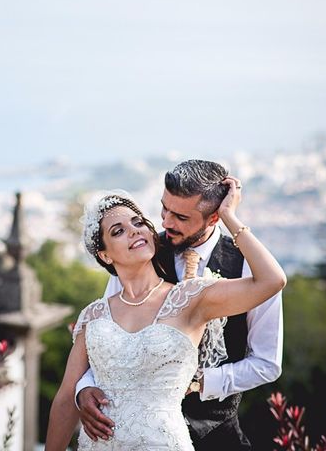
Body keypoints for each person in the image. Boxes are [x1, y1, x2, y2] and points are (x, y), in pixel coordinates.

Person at [44, 176, 286, 450]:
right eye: (118, 231)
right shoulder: (94, 316)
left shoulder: (192, 297)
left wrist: (229, 216)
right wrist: (82, 392)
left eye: (138, 223)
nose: (135, 231)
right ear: (105, 256)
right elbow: (66, 398)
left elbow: (272, 281)